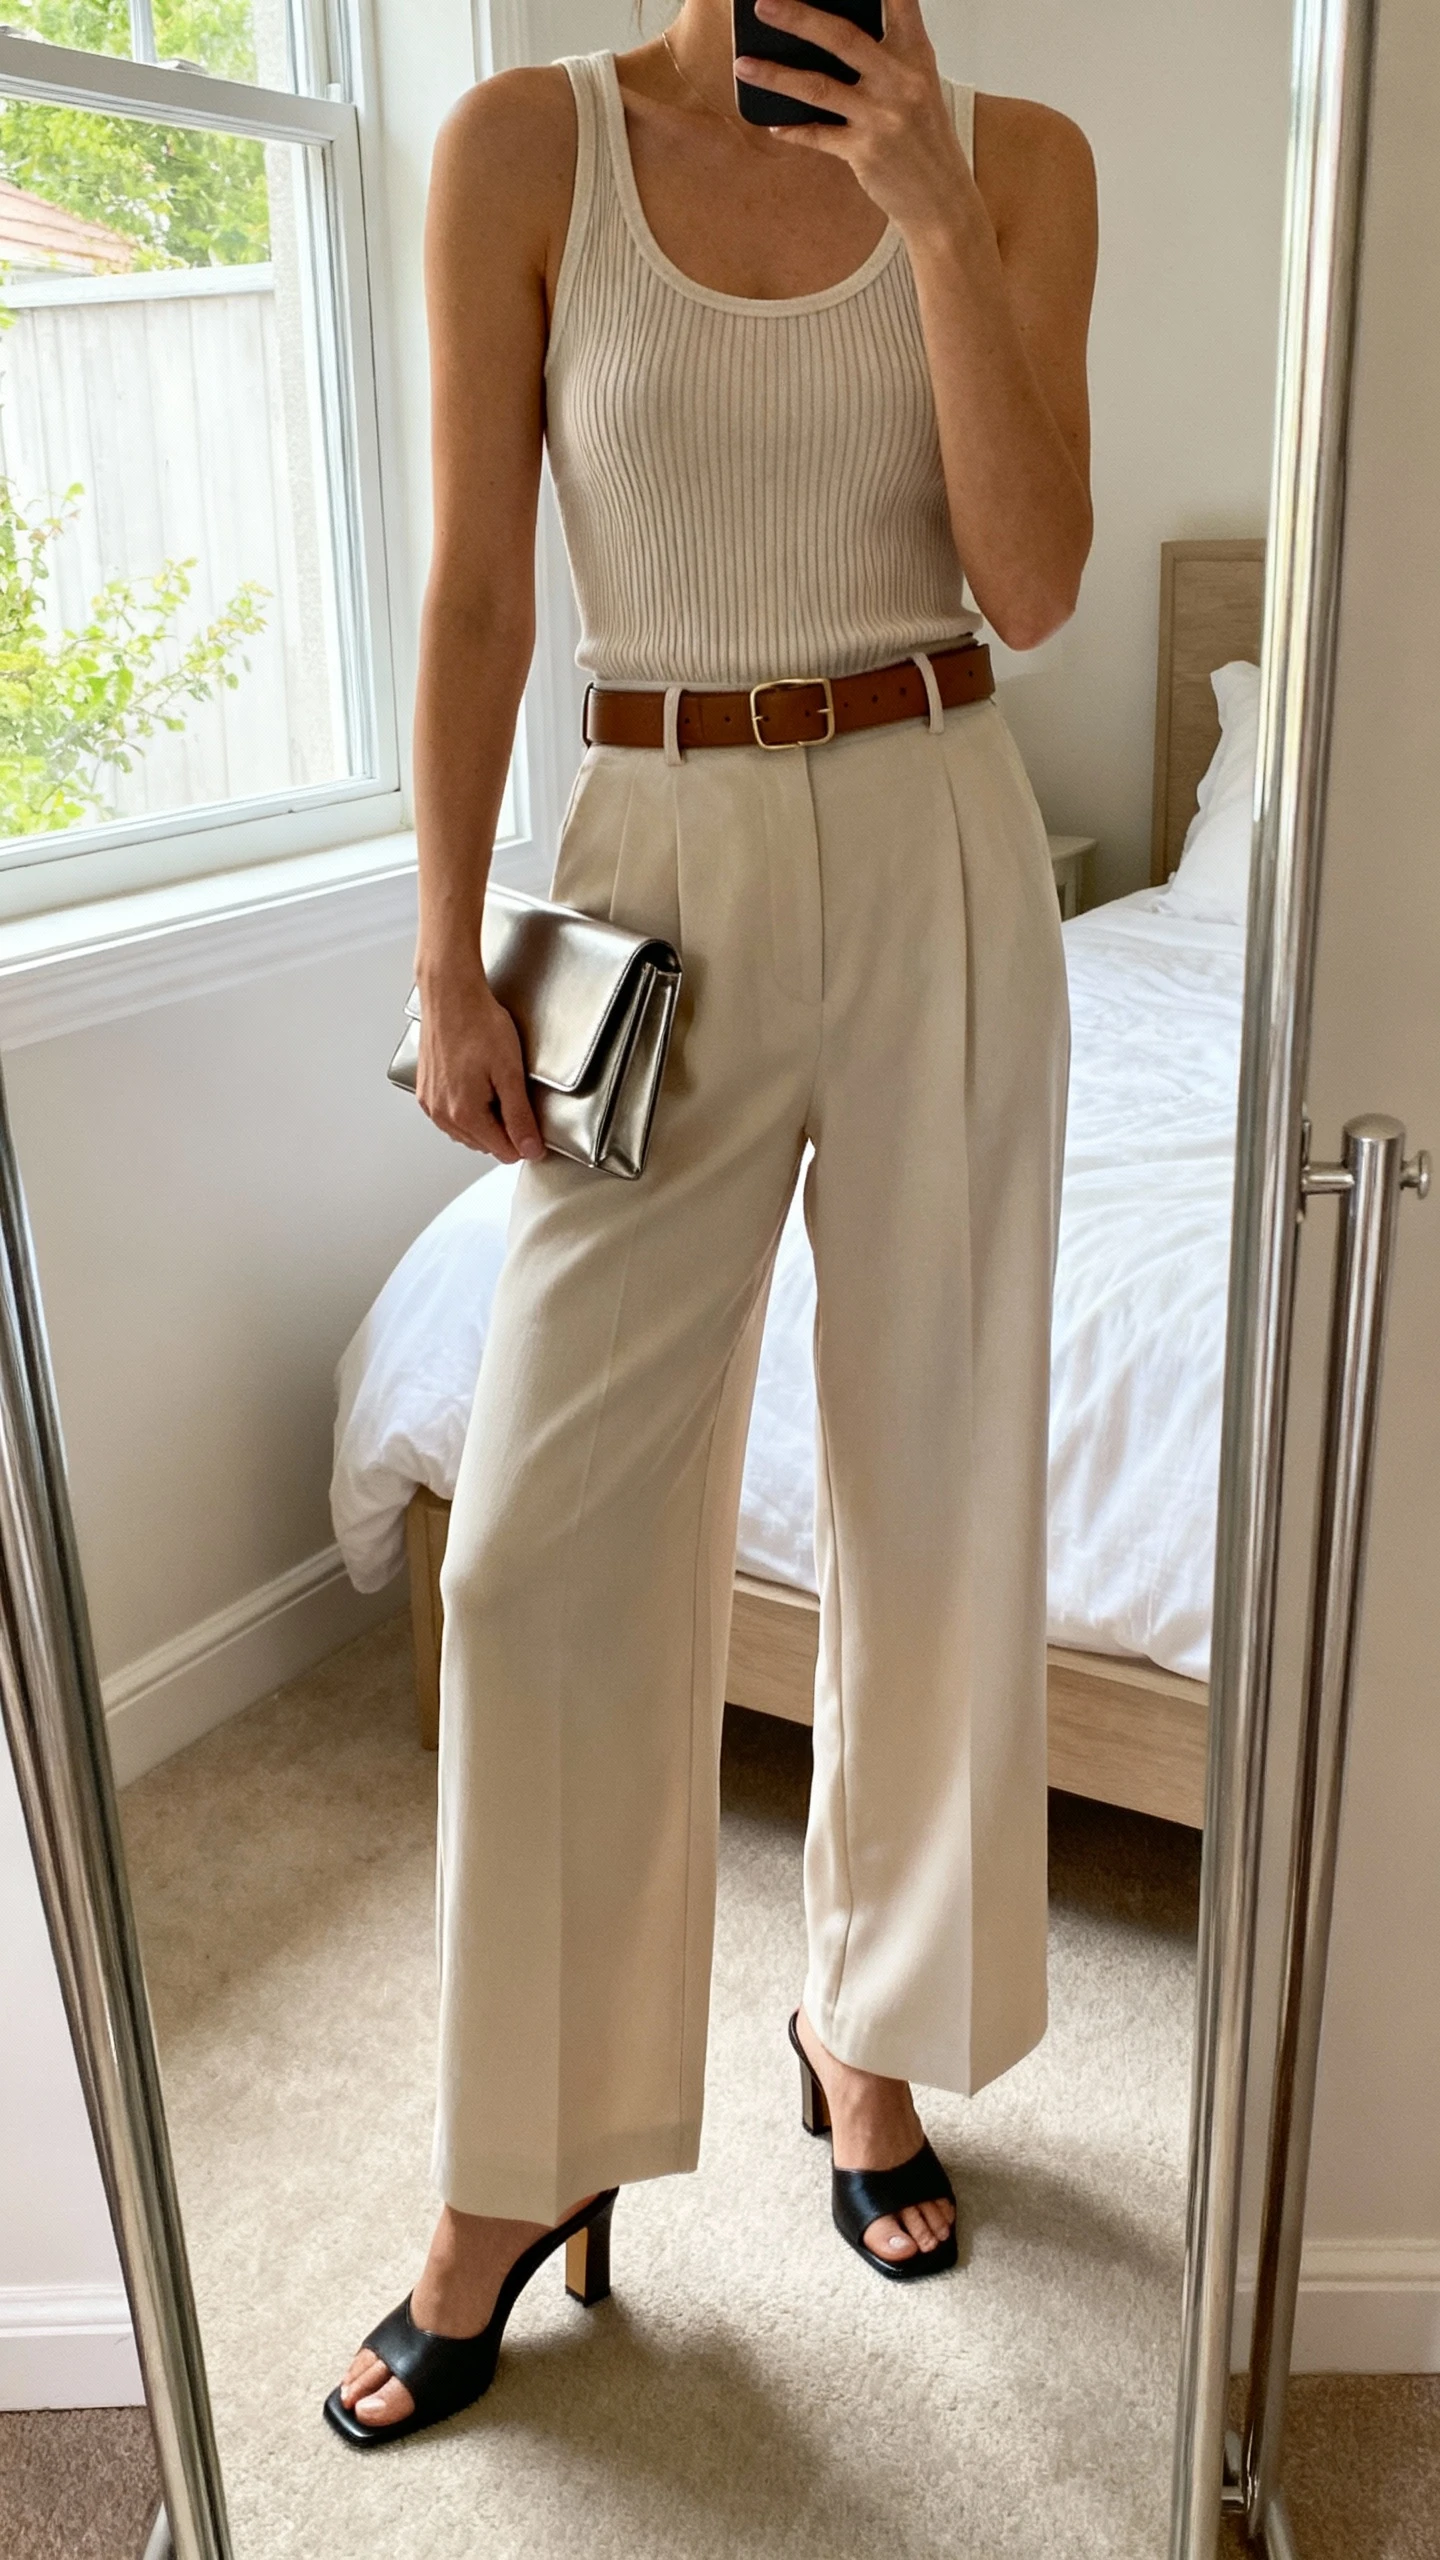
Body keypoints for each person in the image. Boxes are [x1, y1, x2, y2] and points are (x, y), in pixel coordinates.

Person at [327, 0, 1096, 2448]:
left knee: (937, 1472)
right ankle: (512, 2164)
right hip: (637, 855)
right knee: (531, 1544)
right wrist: (447, 950)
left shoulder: (1023, 158)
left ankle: (863, 2034)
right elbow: (476, 592)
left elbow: (1042, 576)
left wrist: (935, 213)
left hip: (946, 830)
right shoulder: (516, 146)